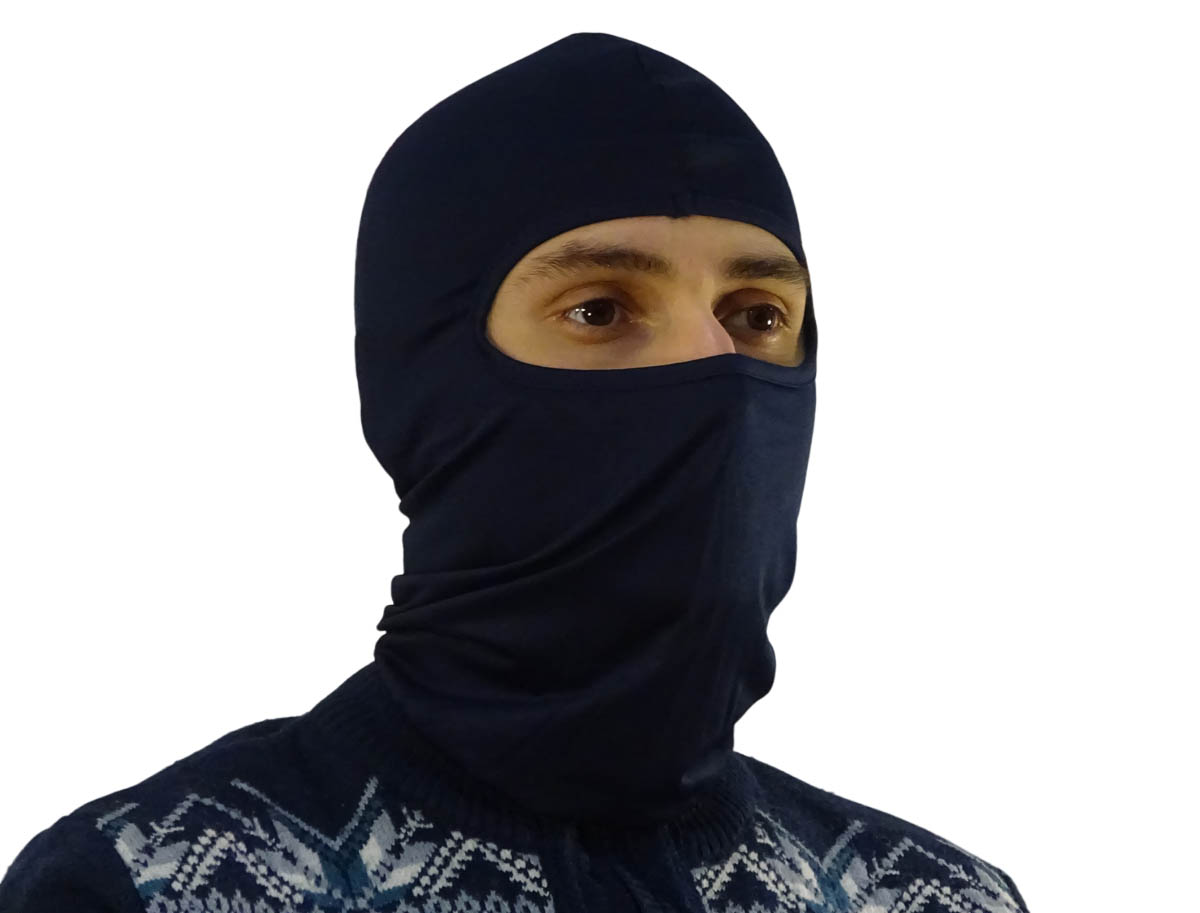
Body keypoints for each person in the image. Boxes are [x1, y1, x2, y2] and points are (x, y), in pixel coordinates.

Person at [0, 31, 1031, 912]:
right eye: (600, 310)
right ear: (426, 382)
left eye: (757, 316)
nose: (713, 375)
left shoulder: (934, 895)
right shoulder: (144, 885)